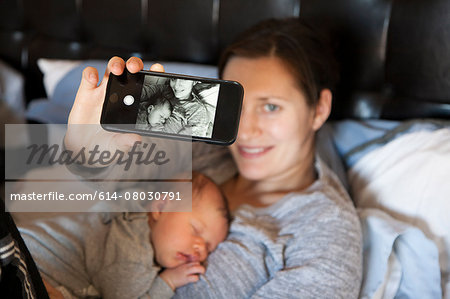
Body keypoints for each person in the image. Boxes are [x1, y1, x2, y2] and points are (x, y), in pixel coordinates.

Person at [64, 18, 362, 298]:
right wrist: (85, 150)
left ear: (320, 109)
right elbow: (114, 180)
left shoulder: (326, 231)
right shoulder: (204, 152)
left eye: (271, 107)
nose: (244, 131)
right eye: (237, 106)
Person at [19, 172, 231, 299]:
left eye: (209, 247)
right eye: (195, 230)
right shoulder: (132, 247)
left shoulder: (132, 217)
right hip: (32, 266)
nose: (200, 249)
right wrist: (167, 283)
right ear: (160, 207)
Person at [139, 77, 211, 137]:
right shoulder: (165, 90)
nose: (176, 86)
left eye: (184, 79)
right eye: (173, 78)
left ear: (195, 81)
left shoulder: (197, 111)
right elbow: (141, 92)